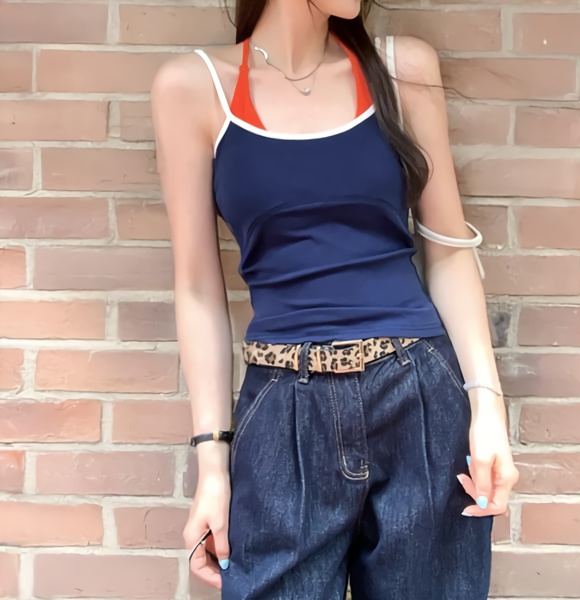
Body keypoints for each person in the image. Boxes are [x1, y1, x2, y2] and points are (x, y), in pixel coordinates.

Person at [150, 0, 519, 598]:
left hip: (419, 396)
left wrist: (488, 409)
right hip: (284, 406)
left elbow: (449, 250)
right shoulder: (195, 87)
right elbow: (196, 287)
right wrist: (212, 466)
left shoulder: (401, 70)